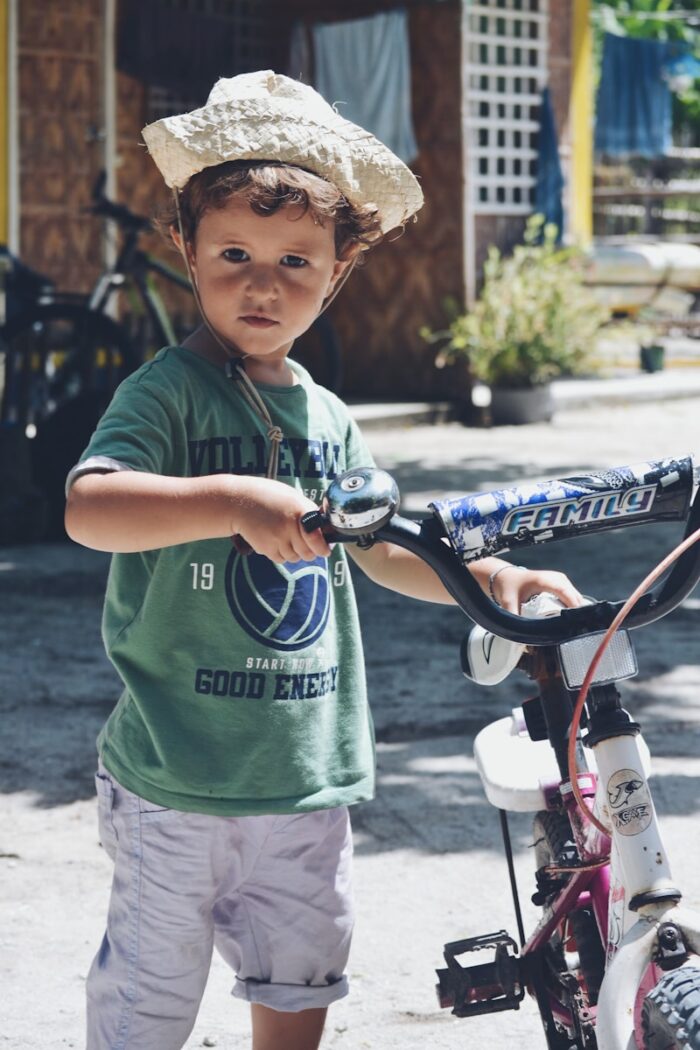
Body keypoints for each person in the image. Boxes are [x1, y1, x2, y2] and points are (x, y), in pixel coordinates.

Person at [64, 71, 583, 1050]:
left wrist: (495, 583)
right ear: (185, 249)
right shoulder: (163, 394)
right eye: (233, 254)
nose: (262, 285)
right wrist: (229, 501)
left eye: (295, 262)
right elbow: (90, 509)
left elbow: (385, 548)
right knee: (144, 1011)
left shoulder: (330, 418)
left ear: (337, 272)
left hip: (304, 784)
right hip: (174, 779)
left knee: (301, 990)